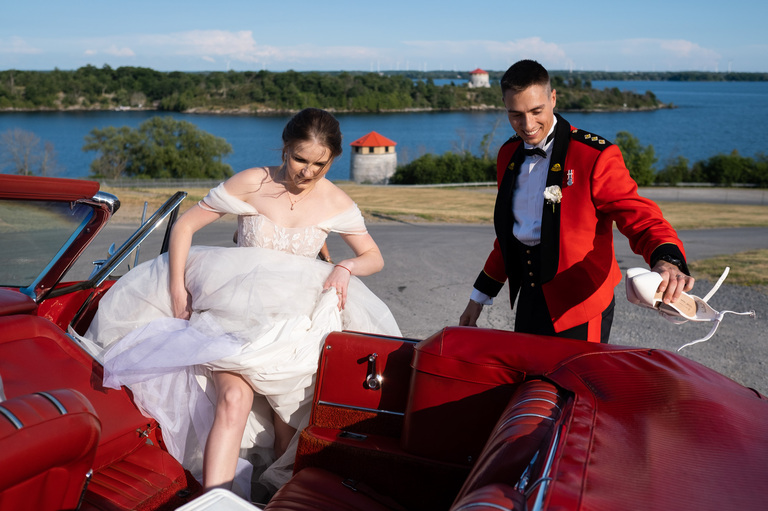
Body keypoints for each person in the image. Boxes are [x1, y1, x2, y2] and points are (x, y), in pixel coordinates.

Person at [82, 108, 400, 498]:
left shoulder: (336, 200)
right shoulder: (254, 181)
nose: (307, 172)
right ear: (285, 150)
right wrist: (178, 288)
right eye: (300, 159)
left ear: (333, 159)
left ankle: (280, 500)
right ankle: (214, 500)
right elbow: (185, 226)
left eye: (320, 164)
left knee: (290, 426)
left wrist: (346, 267)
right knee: (234, 399)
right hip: (232, 315)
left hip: (293, 326)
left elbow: (375, 257)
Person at [459, 59, 694, 343]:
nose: (528, 125)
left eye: (536, 111)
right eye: (516, 115)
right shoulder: (507, 154)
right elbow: (511, 236)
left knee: (571, 387)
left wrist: (668, 260)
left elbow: (639, 217)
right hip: (531, 300)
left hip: (582, 306)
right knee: (529, 382)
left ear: (553, 98)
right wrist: (479, 297)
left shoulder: (593, 156)